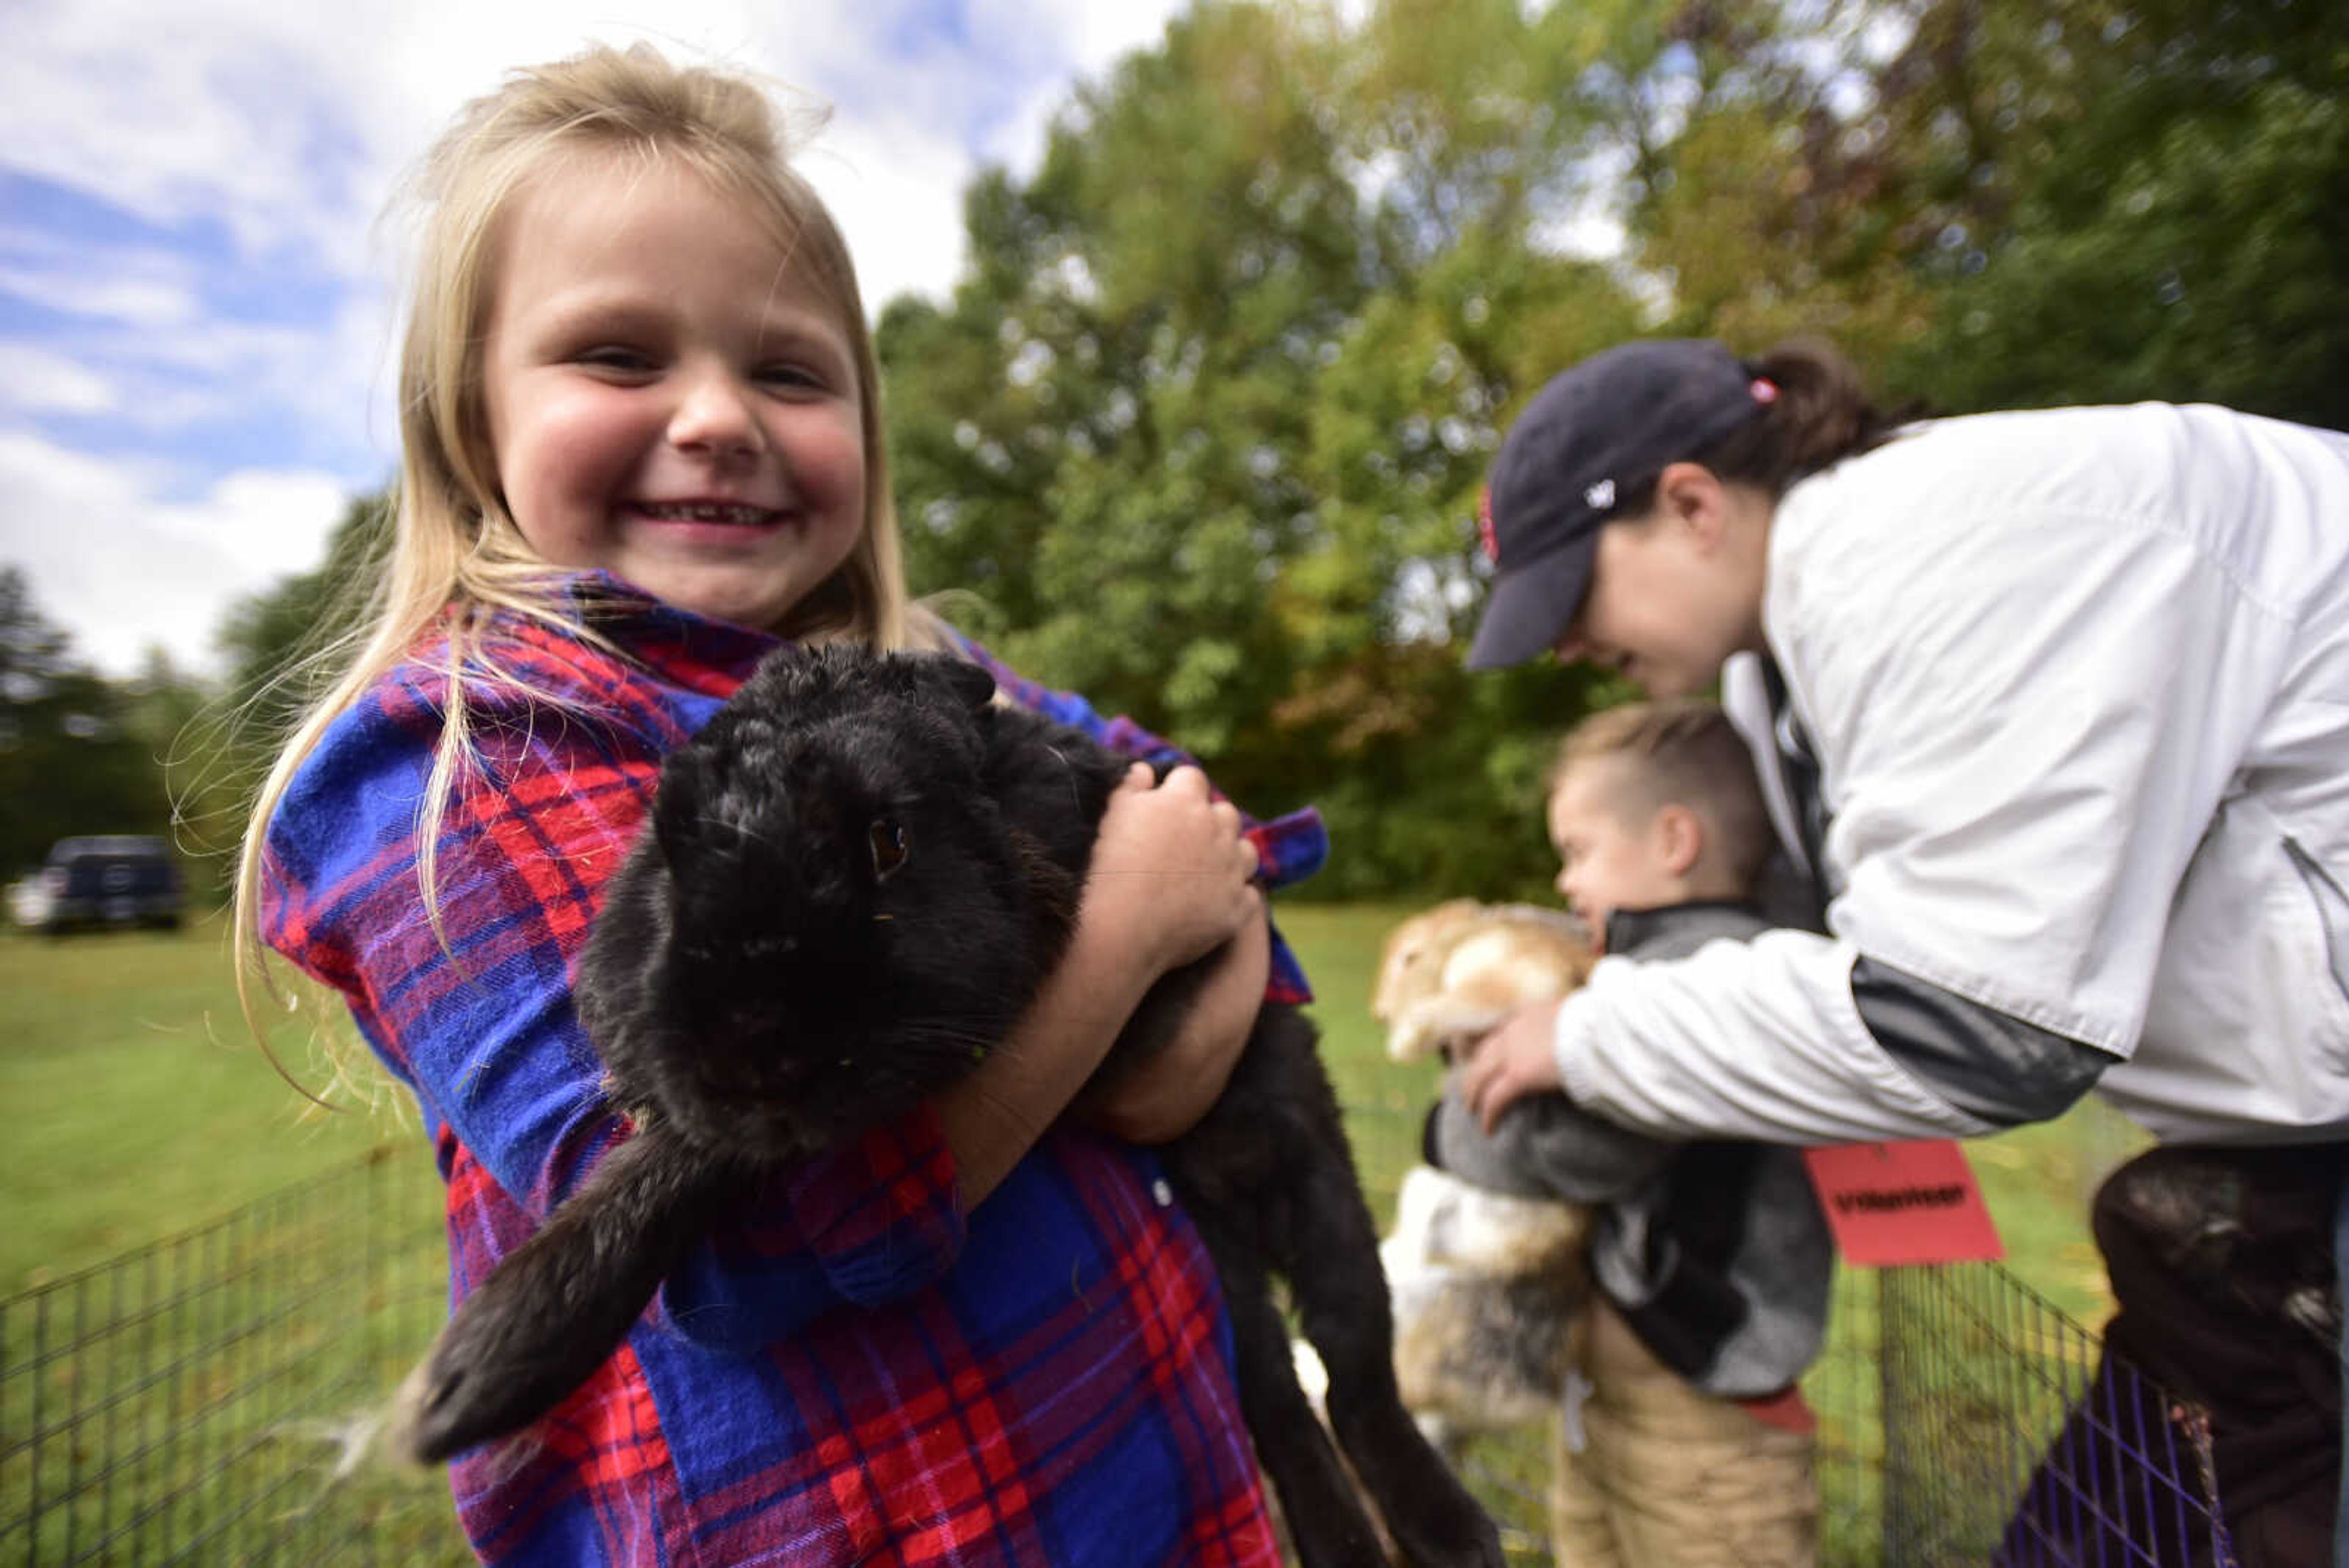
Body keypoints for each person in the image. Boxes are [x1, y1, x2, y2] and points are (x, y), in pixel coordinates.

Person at [232, 45, 1324, 1567]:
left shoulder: (929, 679)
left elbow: (1217, 829)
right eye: (619, 357)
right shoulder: (452, 752)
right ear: (468, 419)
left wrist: (1202, 990)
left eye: (791, 371)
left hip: (1157, 1476)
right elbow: (739, 1237)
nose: (719, 418)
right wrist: (1126, 963)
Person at [1451, 335, 2349, 1562]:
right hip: (2272, 1173)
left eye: (1572, 594)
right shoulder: (1791, 654)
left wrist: (1590, 1036)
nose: (1562, 646)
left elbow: (1973, 1023)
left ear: (1693, 504)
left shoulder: (1924, 553)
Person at [1424, 699, 1831, 1567]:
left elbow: (1584, 1155)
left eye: (1579, 851)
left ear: (1673, 841)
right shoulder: (1647, 967)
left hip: (1705, 1405)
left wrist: (1449, 1123)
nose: (1566, 883)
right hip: (1628, 1379)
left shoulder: (1704, 982)